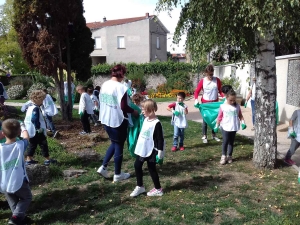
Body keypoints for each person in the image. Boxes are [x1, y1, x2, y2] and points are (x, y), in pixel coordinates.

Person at [97, 64, 139, 182]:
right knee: (119, 145)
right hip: (117, 120)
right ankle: (118, 173)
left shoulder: (105, 84)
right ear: (121, 74)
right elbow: (124, 106)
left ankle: (103, 166)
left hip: (106, 119)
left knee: (114, 143)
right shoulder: (121, 87)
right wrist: (134, 111)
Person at [0, 119, 32, 225]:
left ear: (3, 133)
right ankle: (16, 218)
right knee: (26, 197)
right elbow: (27, 137)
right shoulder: (20, 145)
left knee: (13, 201)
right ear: (18, 133)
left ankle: (19, 218)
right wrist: (23, 126)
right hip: (19, 180)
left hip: (4, 181)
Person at [130, 99, 164, 197]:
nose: (142, 111)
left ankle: (158, 189)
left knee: (151, 168)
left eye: (144, 109)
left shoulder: (156, 123)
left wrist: (160, 152)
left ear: (151, 109)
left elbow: (160, 139)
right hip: (143, 149)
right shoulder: (145, 120)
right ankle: (140, 186)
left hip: (151, 150)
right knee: (137, 165)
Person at [24, 89, 57, 166]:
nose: (43, 101)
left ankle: (29, 159)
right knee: (43, 144)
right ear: (38, 99)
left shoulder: (30, 107)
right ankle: (47, 159)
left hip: (30, 130)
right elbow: (34, 119)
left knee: (33, 144)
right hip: (37, 131)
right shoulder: (35, 108)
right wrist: (38, 128)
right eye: (42, 99)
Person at [214, 89, 246, 165]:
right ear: (226, 97)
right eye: (230, 100)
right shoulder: (223, 106)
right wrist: (216, 126)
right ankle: (223, 156)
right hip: (225, 126)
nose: (232, 102)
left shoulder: (237, 106)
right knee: (225, 141)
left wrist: (243, 123)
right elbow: (219, 117)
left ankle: (230, 156)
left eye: (234, 100)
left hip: (233, 127)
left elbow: (240, 116)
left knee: (231, 142)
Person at [194, 64, 224, 143]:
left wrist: (224, 96)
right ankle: (204, 136)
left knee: (214, 119)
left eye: (212, 74)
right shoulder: (203, 81)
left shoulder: (217, 80)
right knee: (205, 120)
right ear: (206, 73)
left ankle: (214, 135)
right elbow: (197, 91)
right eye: (209, 74)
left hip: (214, 103)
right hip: (205, 104)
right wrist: (196, 99)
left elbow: (220, 90)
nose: (211, 76)